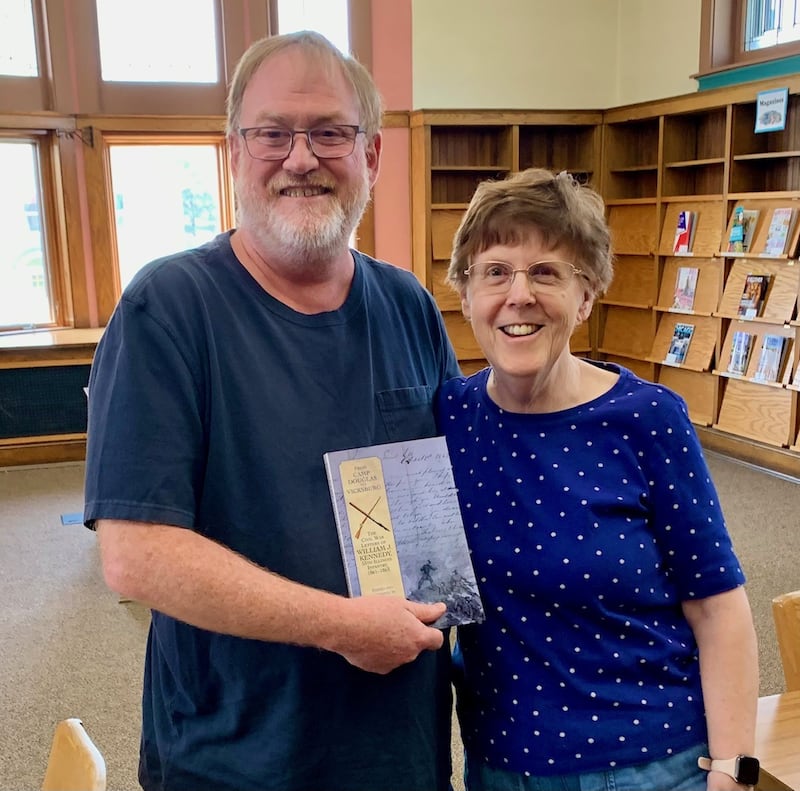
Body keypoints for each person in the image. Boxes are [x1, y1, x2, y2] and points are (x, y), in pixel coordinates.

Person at [84, 31, 460, 791]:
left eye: (330, 131)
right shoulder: (167, 309)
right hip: (235, 756)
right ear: (234, 153)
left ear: (373, 156)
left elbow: (459, 490)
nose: (301, 157)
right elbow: (137, 552)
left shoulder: (408, 304)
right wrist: (341, 625)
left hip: (398, 746)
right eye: (273, 133)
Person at [436, 168, 760, 791]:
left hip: (649, 765)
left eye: (547, 273)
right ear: (466, 292)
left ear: (585, 298)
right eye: (495, 271)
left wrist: (734, 771)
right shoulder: (450, 418)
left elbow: (719, 610)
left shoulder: (646, 419)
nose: (518, 294)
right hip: (500, 765)